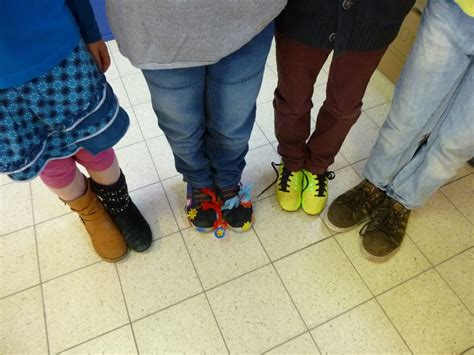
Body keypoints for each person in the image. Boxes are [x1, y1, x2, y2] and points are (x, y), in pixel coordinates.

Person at [106, 1, 286, 236]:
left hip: (248, 16)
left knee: (234, 123)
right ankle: (199, 182)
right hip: (156, 22)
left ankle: (228, 179)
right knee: (181, 128)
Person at [0, 0, 152, 261]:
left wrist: (91, 32)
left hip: (57, 49)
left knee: (93, 140)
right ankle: (91, 212)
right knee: (48, 159)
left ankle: (118, 202)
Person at [326, 0, 474, 260]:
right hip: (455, 9)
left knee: (458, 140)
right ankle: (374, 182)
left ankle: (403, 199)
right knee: (409, 111)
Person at [272, 0, 414, 216]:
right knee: (292, 99)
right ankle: (292, 162)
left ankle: (317, 167)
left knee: (344, 107)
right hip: (303, 13)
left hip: (375, 14)